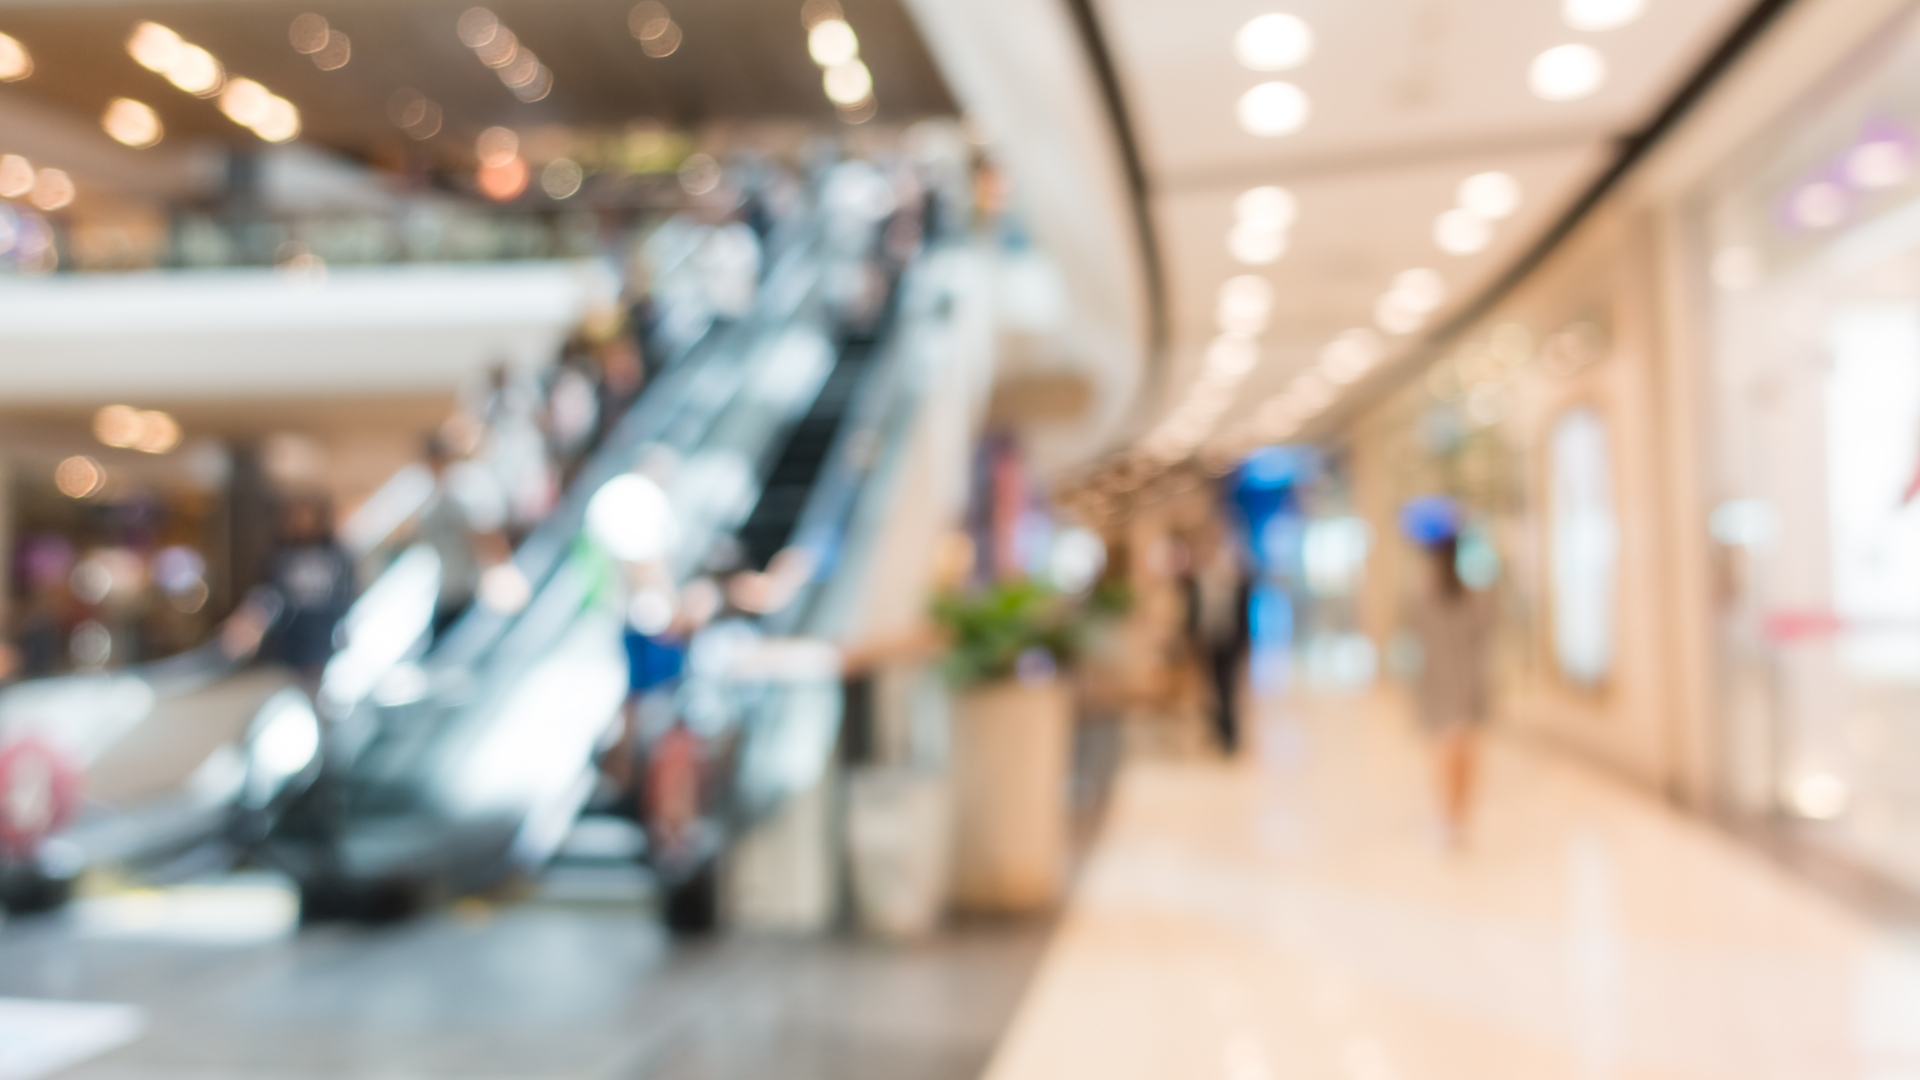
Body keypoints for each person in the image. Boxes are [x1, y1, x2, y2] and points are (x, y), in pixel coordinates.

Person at [1403, 498, 1495, 849]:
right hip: (1457, 682)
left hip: (1450, 683)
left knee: (1450, 754)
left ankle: (1453, 818)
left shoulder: (1430, 597)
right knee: (1461, 753)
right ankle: (1456, 818)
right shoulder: (1464, 597)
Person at [267, 497, 355, 688]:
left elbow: (346, 592)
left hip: (322, 633)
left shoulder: (334, 553)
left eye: (306, 515)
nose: (301, 521)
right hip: (293, 635)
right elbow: (274, 593)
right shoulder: (283, 552)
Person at [1186, 528, 1251, 756]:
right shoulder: (1198, 579)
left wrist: (1245, 643)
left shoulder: (1233, 576)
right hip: (1208, 639)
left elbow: (1242, 613)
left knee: (1228, 687)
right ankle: (1218, 731)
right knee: (1212, 687)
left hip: (1229, 639)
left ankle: (1230, 736)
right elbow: (1194, 612)